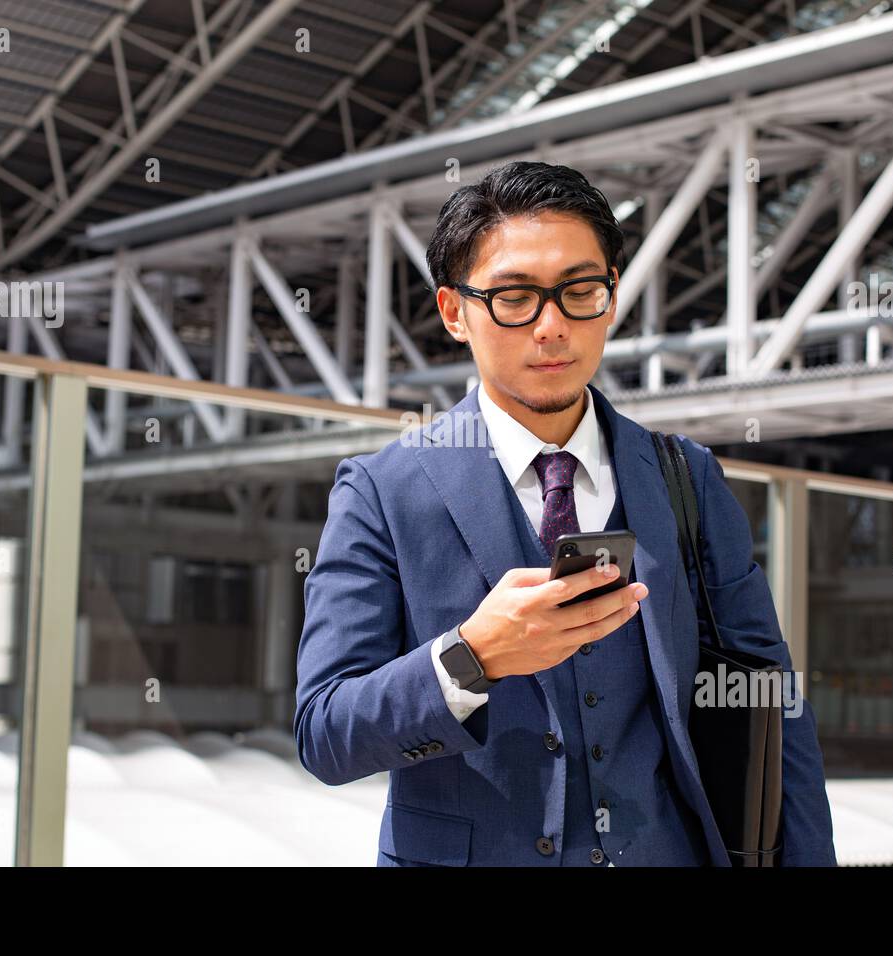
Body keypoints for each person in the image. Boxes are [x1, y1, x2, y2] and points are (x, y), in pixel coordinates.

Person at [294, 160, 836, 866]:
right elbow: (325, 732)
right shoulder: (383, 491)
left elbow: (768, 697)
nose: (552, 327)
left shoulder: (685, 478)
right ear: (455, 312)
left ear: (610, 295)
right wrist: (472, 657)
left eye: (580, 290)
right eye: (515, 297)